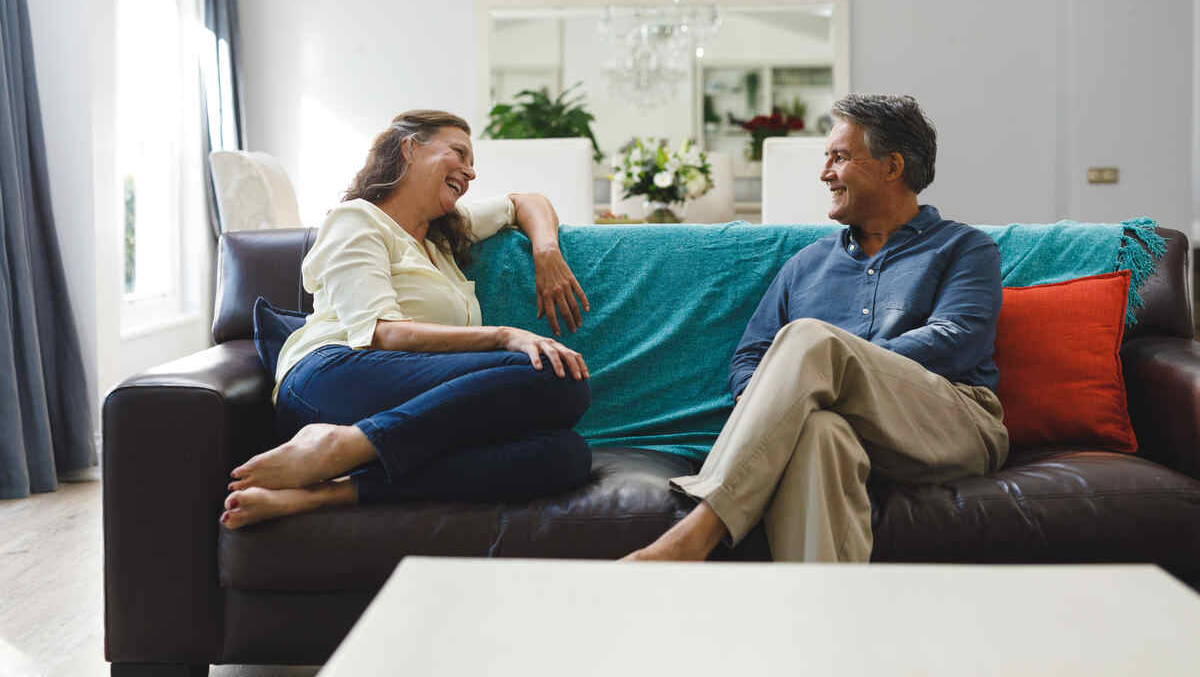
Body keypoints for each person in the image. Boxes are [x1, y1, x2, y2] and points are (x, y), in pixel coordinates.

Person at [623, 93, 1010, 562]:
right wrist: (770, 395)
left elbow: (956, 340)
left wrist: (834, 364)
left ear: (892, 167)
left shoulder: (965, 249)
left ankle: (696, 532)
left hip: (951, 422)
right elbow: (751, 355)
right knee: (819, 433)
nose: (825, 172)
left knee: (812, 341)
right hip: (843, 427)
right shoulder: (806, 265)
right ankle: (819, 616)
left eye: (840, 157)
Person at [221, 110, 593, 529]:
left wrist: (547, 253)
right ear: (409, 147)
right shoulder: (357, 220)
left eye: (472, 165)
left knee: (566, 455)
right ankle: (345, 443)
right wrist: (505, 336)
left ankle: (330, 488)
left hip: (404, 399)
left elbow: (526, 201)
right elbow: (382, 333)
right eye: (459, 153)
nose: (469, 173)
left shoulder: (444, 237)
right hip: (331, 376)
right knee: (561, 377)